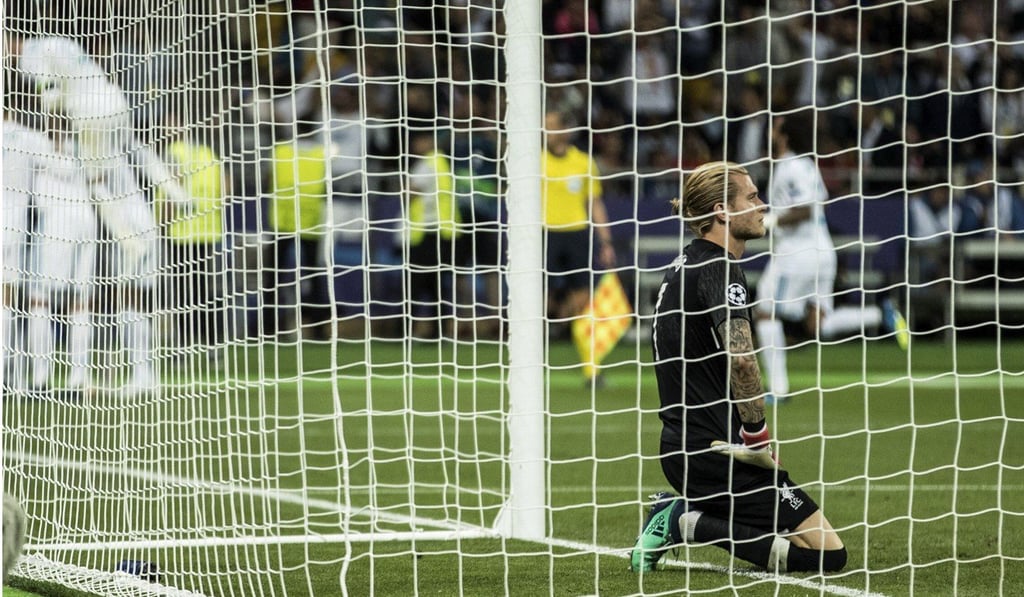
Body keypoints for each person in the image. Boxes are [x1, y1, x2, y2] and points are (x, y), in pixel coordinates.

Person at [629, 161, 847, 574]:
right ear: (721, 212)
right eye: (752, 197)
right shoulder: (720, 267)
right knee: (828, 555)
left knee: (794, 541)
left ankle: (684, 515)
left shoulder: (680, 267)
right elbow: (743, 360)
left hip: (684, 447)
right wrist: (757, 440)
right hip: (720, 453)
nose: (763, 205)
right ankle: (679, 520)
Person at [17, 36, 190, 394]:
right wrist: (174, 191)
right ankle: (144, 375)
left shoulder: (32, 56)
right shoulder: (65, 47)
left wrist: (53, 111)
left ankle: (132, 374)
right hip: (115, 108)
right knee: (130, 297)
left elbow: (48, 94)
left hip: (122, 214)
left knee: (95, 182)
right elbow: (139, 149)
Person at [754, 109, 908, 404]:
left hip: (796, 254)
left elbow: (807, 208)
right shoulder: (806, 166)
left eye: (776, 126)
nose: (771, 130)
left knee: (765, 312)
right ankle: (880, 314)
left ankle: (778, 389)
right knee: (818, 325)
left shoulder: (790, 167)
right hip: (822, 252)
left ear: (785, 134)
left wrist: (770, 222)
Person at [23, 116, 97, 397]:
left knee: (39, 300)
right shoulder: (84, 146)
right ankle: (78, 379)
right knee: (80, 304)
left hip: (58, 223)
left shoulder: (36, 144)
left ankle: (42, 379)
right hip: (87, 222)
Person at [541, 111, 616, 385]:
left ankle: (591, 368)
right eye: (544, 127)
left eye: (551, 126)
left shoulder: (583, 162)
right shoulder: (534, 160)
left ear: (564, 130)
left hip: (576, 234)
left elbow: (595, 204)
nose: (547, 132)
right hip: (543, 233)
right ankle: (532, 363)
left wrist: (605, 241)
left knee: (583, 303)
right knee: (538, 300)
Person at [160, 119, 228, 364]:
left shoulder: (174, 153)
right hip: (208, 232)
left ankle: (184, 343)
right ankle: (211, 343)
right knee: (204, 290)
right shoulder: (209, 153)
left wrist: (163, 225)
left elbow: (172, 189)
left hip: (180, 231)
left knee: (182, 291)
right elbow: (225, 189)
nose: (166, 129)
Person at [263, 126, 335, 342]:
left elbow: (267, 180)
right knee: (314, 277)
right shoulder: (321, 153)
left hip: (282, 221)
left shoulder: (280, 151)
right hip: (310, 222)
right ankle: (318, 331)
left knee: (274, 278)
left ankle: (269, 329)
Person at [403, 129, 466, 340]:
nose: (415, 145)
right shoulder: (443, 163)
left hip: (426, 232)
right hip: (445, 232)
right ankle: (438, 331)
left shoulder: (426, 164)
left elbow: (412, 193)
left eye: (419, 140)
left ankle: (406, 330)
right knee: (437, 286)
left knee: (416, 284)